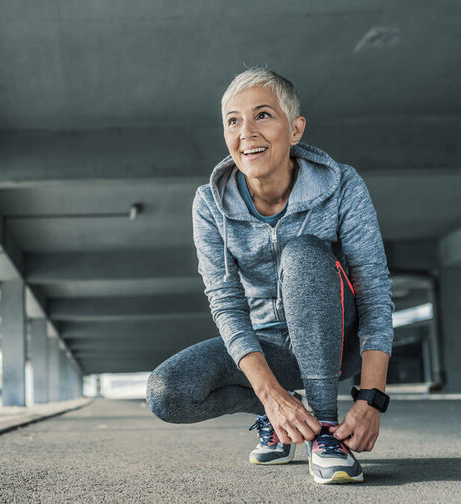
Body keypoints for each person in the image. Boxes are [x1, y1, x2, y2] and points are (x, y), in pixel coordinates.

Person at [146, 68, 394, 485]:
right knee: (167, 393)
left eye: (263, 115)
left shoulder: (342, 185)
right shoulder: (210, 203)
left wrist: (371, 399)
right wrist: (271, 396)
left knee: (301, 253)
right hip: (269, 349)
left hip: (337, 342)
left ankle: (327, 434)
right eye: (233, 120)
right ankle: (282, 418)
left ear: (295, 129)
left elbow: (373, 290)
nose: (247, 132)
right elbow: (225, 300)